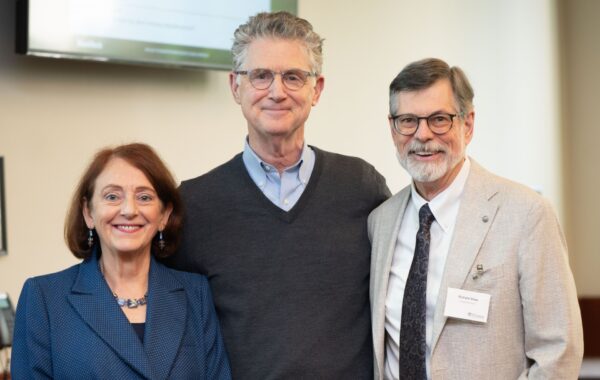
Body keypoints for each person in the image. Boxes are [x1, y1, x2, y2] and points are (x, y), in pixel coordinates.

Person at [164, 11, 390, 379]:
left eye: (293, 77)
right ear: (236, 86)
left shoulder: (362, 186)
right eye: (261, 75)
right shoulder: (194, 204)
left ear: (316, 89)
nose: (276, 91)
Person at [369, 58, 584, 379]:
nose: (423, 135)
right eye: (408, 120)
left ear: (467, 124)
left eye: (439, 119)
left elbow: (557, 352)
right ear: (392, 128)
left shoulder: (526, 214)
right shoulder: (380, 222)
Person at [11, 143, 231, 379]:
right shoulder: (44, 299)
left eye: (144, 197)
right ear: (88, 213)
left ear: (164, 215)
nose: (129, 210)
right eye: (112, 196)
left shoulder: (195, 294)